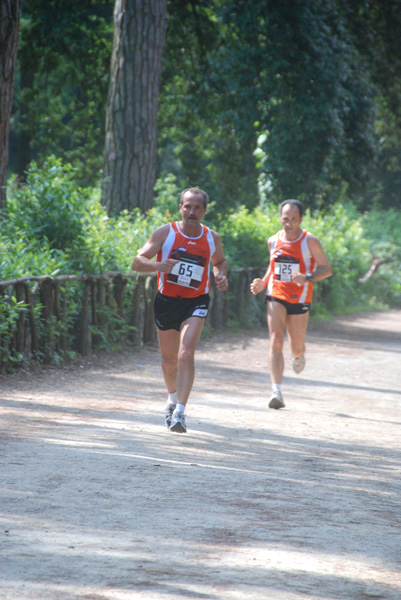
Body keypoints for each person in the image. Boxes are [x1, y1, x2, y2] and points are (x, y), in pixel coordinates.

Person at [132, 187, 228, 433]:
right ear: (180, 208)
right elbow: (137, 261)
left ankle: (181, 413)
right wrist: (159, 265)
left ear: (204, 211)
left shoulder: (211, 238)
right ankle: (172, 400)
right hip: (167, 301)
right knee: (168, 360)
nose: (192, 212)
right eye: (188, 206)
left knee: (186, 353)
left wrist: (220, 276)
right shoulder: (166, 233)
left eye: (197, 207)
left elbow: (219, 262)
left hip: (195, 301)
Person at [250, 199, 332, 409]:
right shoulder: (273, 241)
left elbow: (326, 269)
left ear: (301, 219)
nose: (289, 223)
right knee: (276, 340)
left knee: (296, 345)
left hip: (300, 297)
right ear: (281, 218)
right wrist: (263, 283)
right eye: (285, 218)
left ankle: (299, 355)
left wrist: (308, 277)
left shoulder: (310, 241)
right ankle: (276, 391)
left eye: (293, 219)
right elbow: (272, 267)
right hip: (275, 294)